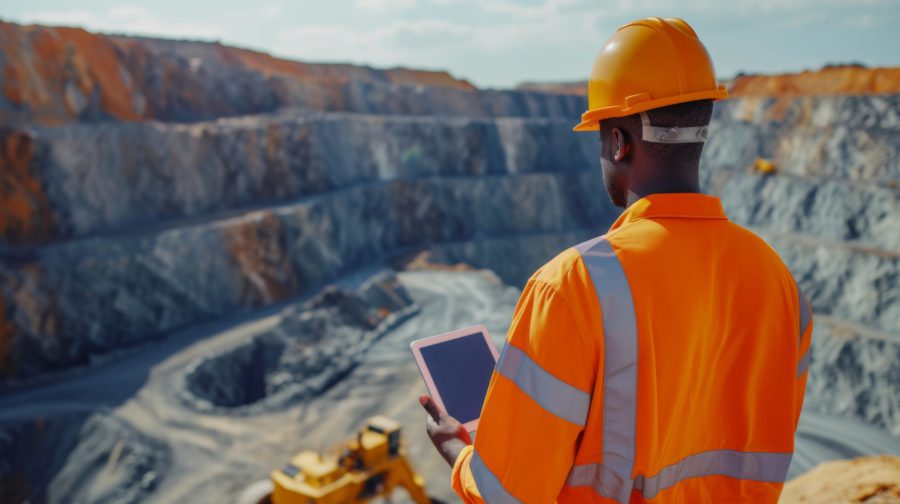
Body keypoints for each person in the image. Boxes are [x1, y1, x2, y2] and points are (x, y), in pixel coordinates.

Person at [419, 16, 813, 504]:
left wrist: (460, 457)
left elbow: (507, 495)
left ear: (618, 141)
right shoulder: (779, 284)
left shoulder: (572, 287)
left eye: (601, 137)